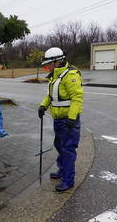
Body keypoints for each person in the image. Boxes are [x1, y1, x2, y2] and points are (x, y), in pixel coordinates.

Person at [38, 47, 83, 192]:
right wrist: (43, 106)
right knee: (59, 145)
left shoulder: (70, 75)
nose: (47, 67)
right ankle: (62, 170)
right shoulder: (55, 76)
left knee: (68, 149)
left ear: (58, 61)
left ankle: (68, 180)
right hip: (58, 119)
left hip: (68, 121)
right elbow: (51, 96)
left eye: (49, 64)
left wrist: (72, 117)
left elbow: (77, 98)